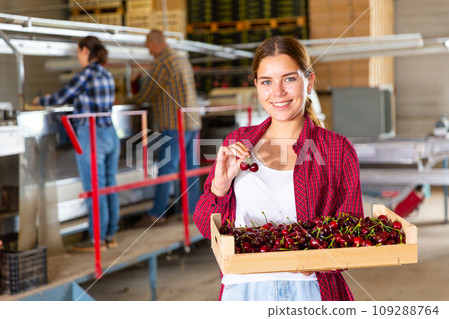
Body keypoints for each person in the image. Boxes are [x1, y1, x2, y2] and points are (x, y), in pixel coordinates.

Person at [193, 36, 364, 301]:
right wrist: (220, 186)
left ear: (309, 81)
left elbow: (350, 236)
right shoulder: (238, 143)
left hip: (311, 292)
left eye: (289, 79)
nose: (278, 92)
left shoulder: (337, 150)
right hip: (244, 292)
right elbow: (206, 227)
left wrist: (310, 261)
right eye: (266, 82)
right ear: (257, 87)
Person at [32, 36, 120, 252]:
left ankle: (97, 241)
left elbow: (61, 97)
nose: (78, 57)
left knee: (94, 189)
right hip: (110, 133)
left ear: (84, 51)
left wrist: (40, 101)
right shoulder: (107, 74)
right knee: (109, 186)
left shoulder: (85, 75)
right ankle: (110, 236)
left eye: (78, 52)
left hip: (92, 135)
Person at [129, 29, 202, 228]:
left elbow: (149, 92)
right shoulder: (181, 58)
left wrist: (129, 100)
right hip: (193, 122)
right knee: (190, 169)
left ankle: (157, 213)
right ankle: (192, 212)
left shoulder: (162, 61)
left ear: (154, 43)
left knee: (167, 168)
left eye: (147, 45)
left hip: (175, 124)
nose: (147, 50)